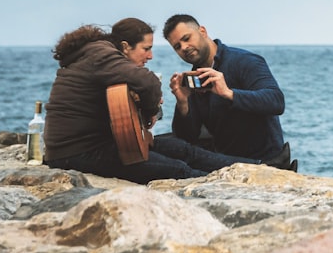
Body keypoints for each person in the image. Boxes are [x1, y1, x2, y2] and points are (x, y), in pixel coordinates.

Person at [43, 21, 260, 184]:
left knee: (182, 149)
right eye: (146, 49)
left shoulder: (93, 56)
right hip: (77, 154)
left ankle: (259, 169)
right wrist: (150, 113)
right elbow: (148, 83)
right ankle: (237, 187)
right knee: (177, 169)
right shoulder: (101, 54)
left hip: (99, 145)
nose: (150, 56)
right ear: (125, 47)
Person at [162, 14, 296, 171]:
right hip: (227, 160)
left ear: (203, 31)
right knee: (164, 145)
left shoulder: (245, 61)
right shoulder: (196, 78)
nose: (184, 47)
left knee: (174, 151)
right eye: (177, 47)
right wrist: (183, 103)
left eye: (187, 38)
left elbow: (276, 102)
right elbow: (187, 136)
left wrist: (229, 93)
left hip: (264, 160)